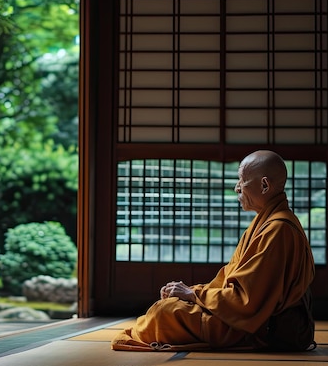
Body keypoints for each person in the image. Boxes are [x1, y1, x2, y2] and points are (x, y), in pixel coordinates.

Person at [111, 150, 315, 351]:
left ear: (264, 185)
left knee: (164, 313)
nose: (237, 188)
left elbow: (247, 302)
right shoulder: (267, 224)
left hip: (259, 327)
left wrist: (193, 294)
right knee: (169, 306)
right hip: (240, 316)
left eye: (242, 180)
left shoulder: (279, 229)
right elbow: (230, 280)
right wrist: (192, 292)